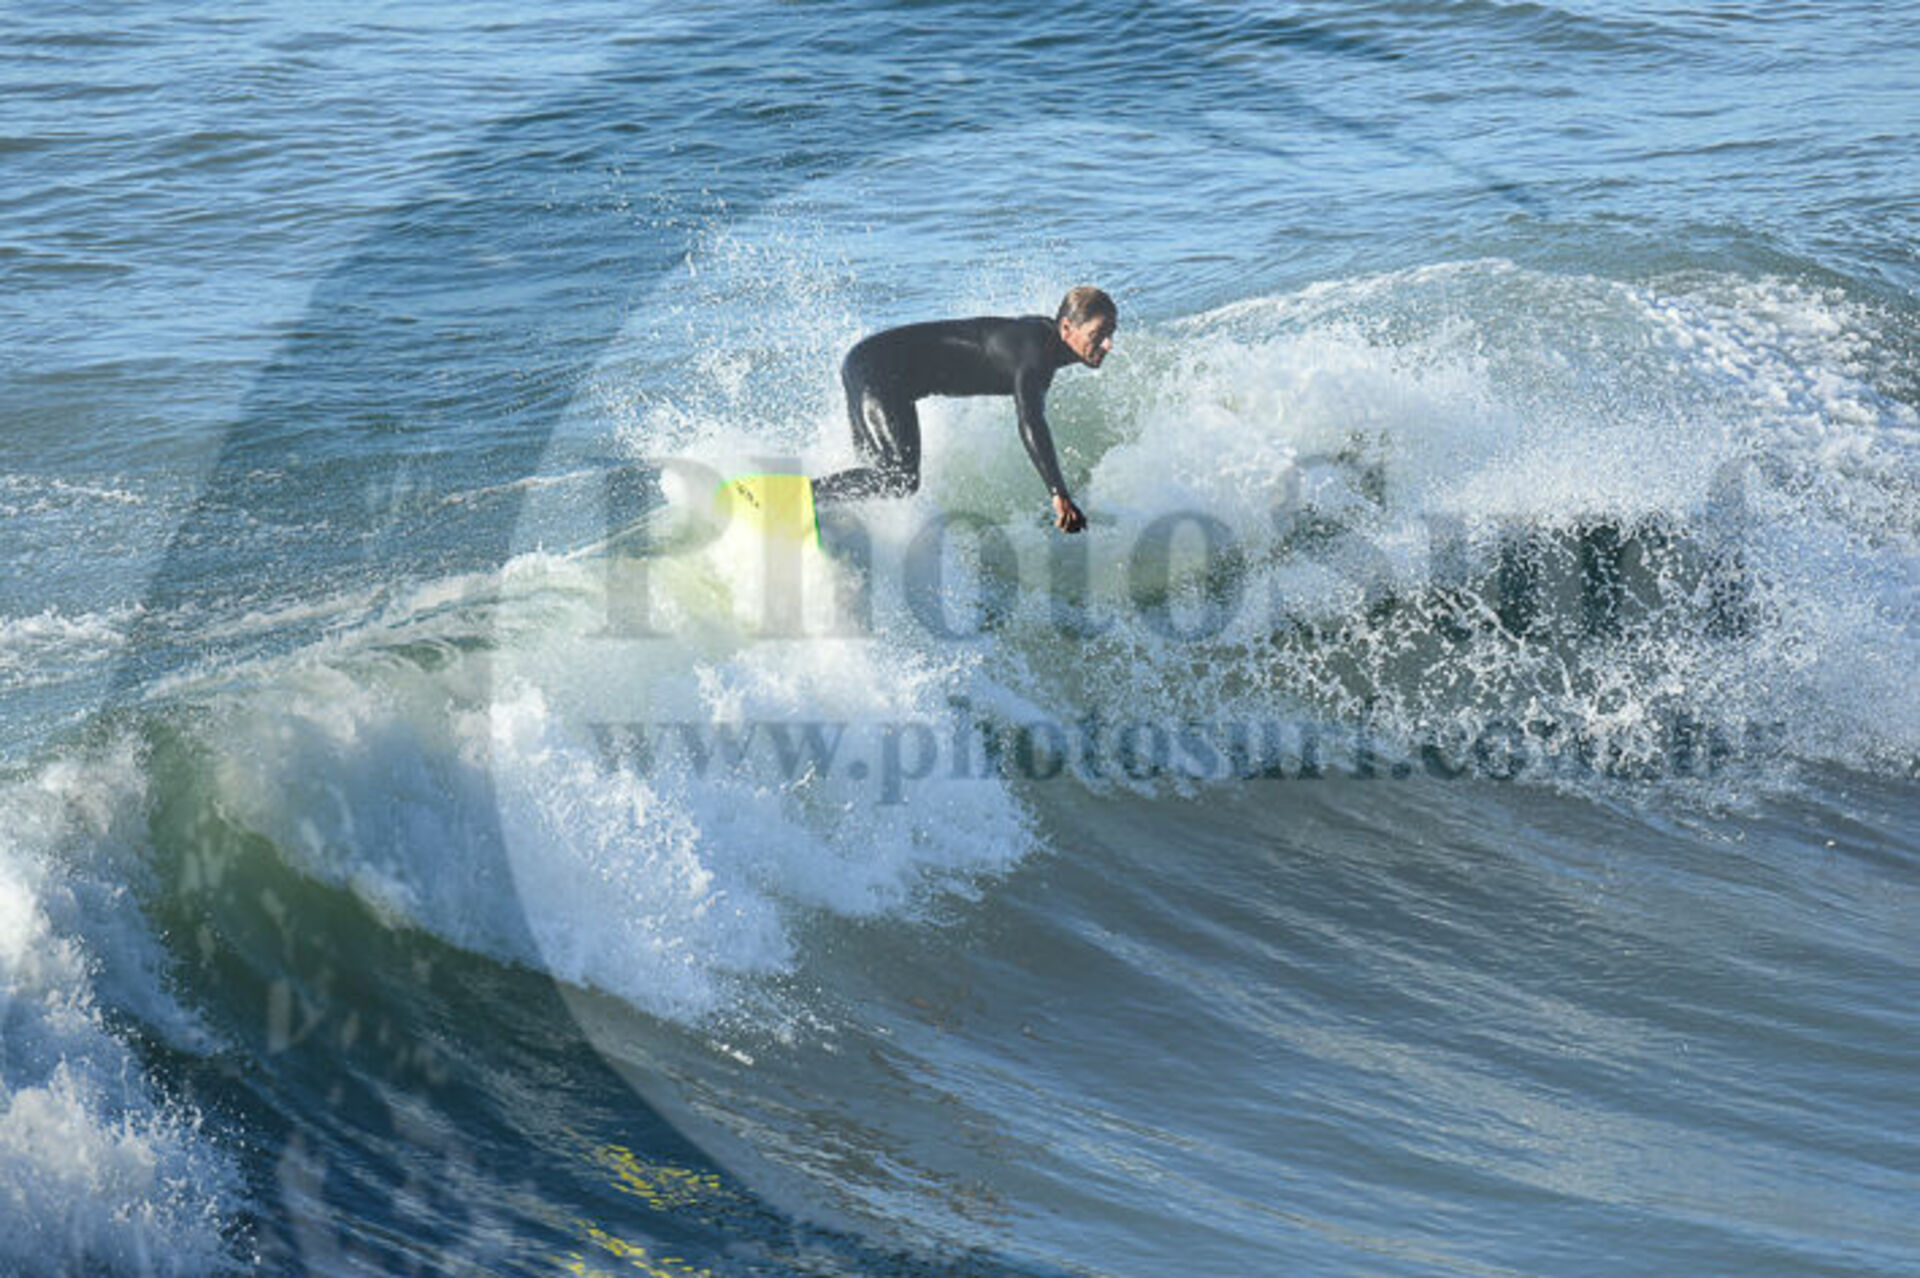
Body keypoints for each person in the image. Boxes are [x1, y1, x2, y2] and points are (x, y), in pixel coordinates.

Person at [811, 286, 1117, 533]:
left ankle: (819, 517)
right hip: (878, 370)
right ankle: (804, 495)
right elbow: (1031, 420)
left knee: (879, 476)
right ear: (1066, 328)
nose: (1108, 345)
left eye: (1111, 333)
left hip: (872, 365)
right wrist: (1058, 493)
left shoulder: (1042, 337)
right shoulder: (1036, 354)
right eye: (1098, 335)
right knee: (899, 478)